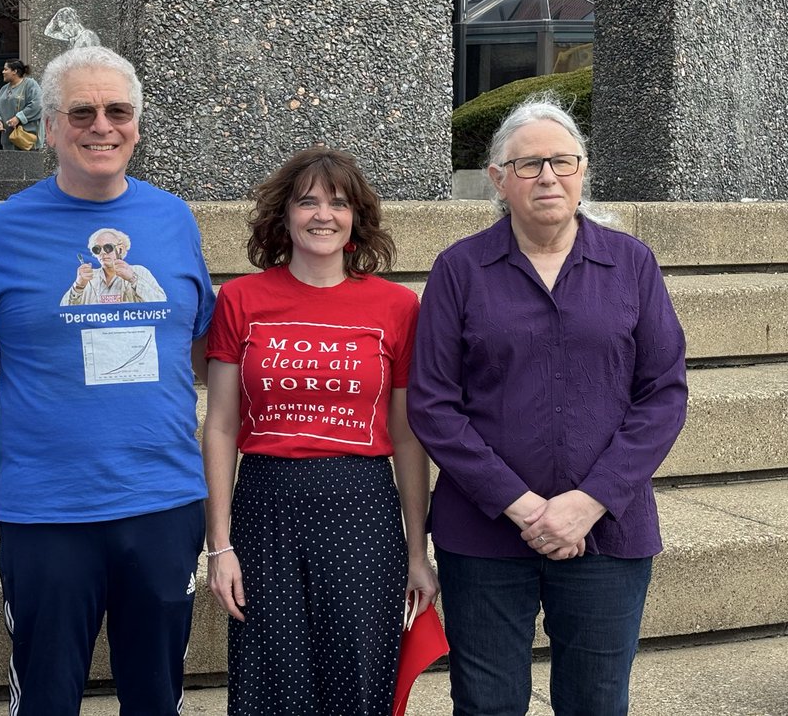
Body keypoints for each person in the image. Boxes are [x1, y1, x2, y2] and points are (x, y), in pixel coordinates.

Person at [407, 95, 688, 716]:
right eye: (528, 164)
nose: (548, 177)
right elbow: (433, 404)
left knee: (595, 703)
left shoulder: (632, 263)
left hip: (606, 532)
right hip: (483, 534)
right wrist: (524, 505)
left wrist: (588, 503)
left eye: (563, 161)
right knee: (486, 704)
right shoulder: (459, 269)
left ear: (583, 171)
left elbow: (663, 393)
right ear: (499, 178)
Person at [0, 43, 215, 715]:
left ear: (136, 124)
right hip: (49, 510)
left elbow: (199, 342)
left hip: (163, 501)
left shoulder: (173, 219)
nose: (101, 126)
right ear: (49, 127)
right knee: (46, 699)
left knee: (156, 698)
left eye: (118, 112)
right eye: (81, 113)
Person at [203, 146, 439, 716]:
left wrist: (418, 551)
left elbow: (408, 437)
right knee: (271, 681)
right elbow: (222, 426)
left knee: (358, 677)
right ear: (284, 216)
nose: (323, 215)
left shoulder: (397, 306)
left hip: (361, 508)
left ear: (356, 218)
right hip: (267, 508)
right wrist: (220, 545)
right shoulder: (239, 299)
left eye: (338, 203)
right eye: (307, 202)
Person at [60, 226, 167, 305]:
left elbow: (161, 302)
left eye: (108, 247)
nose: (102, 252)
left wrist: (133, 279)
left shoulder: (139, 271)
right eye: (97, 249)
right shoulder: (87, 278)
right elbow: (64, 312)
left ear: (120, 249)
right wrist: (78, 286)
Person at [0, 58, 43, 148]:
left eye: (5, 69)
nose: (3, 72)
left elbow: (37, 104)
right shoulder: (4, 89)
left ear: (14, 71)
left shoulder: (30, 84)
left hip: (26, 139)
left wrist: (18, 118)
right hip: (8, 140)